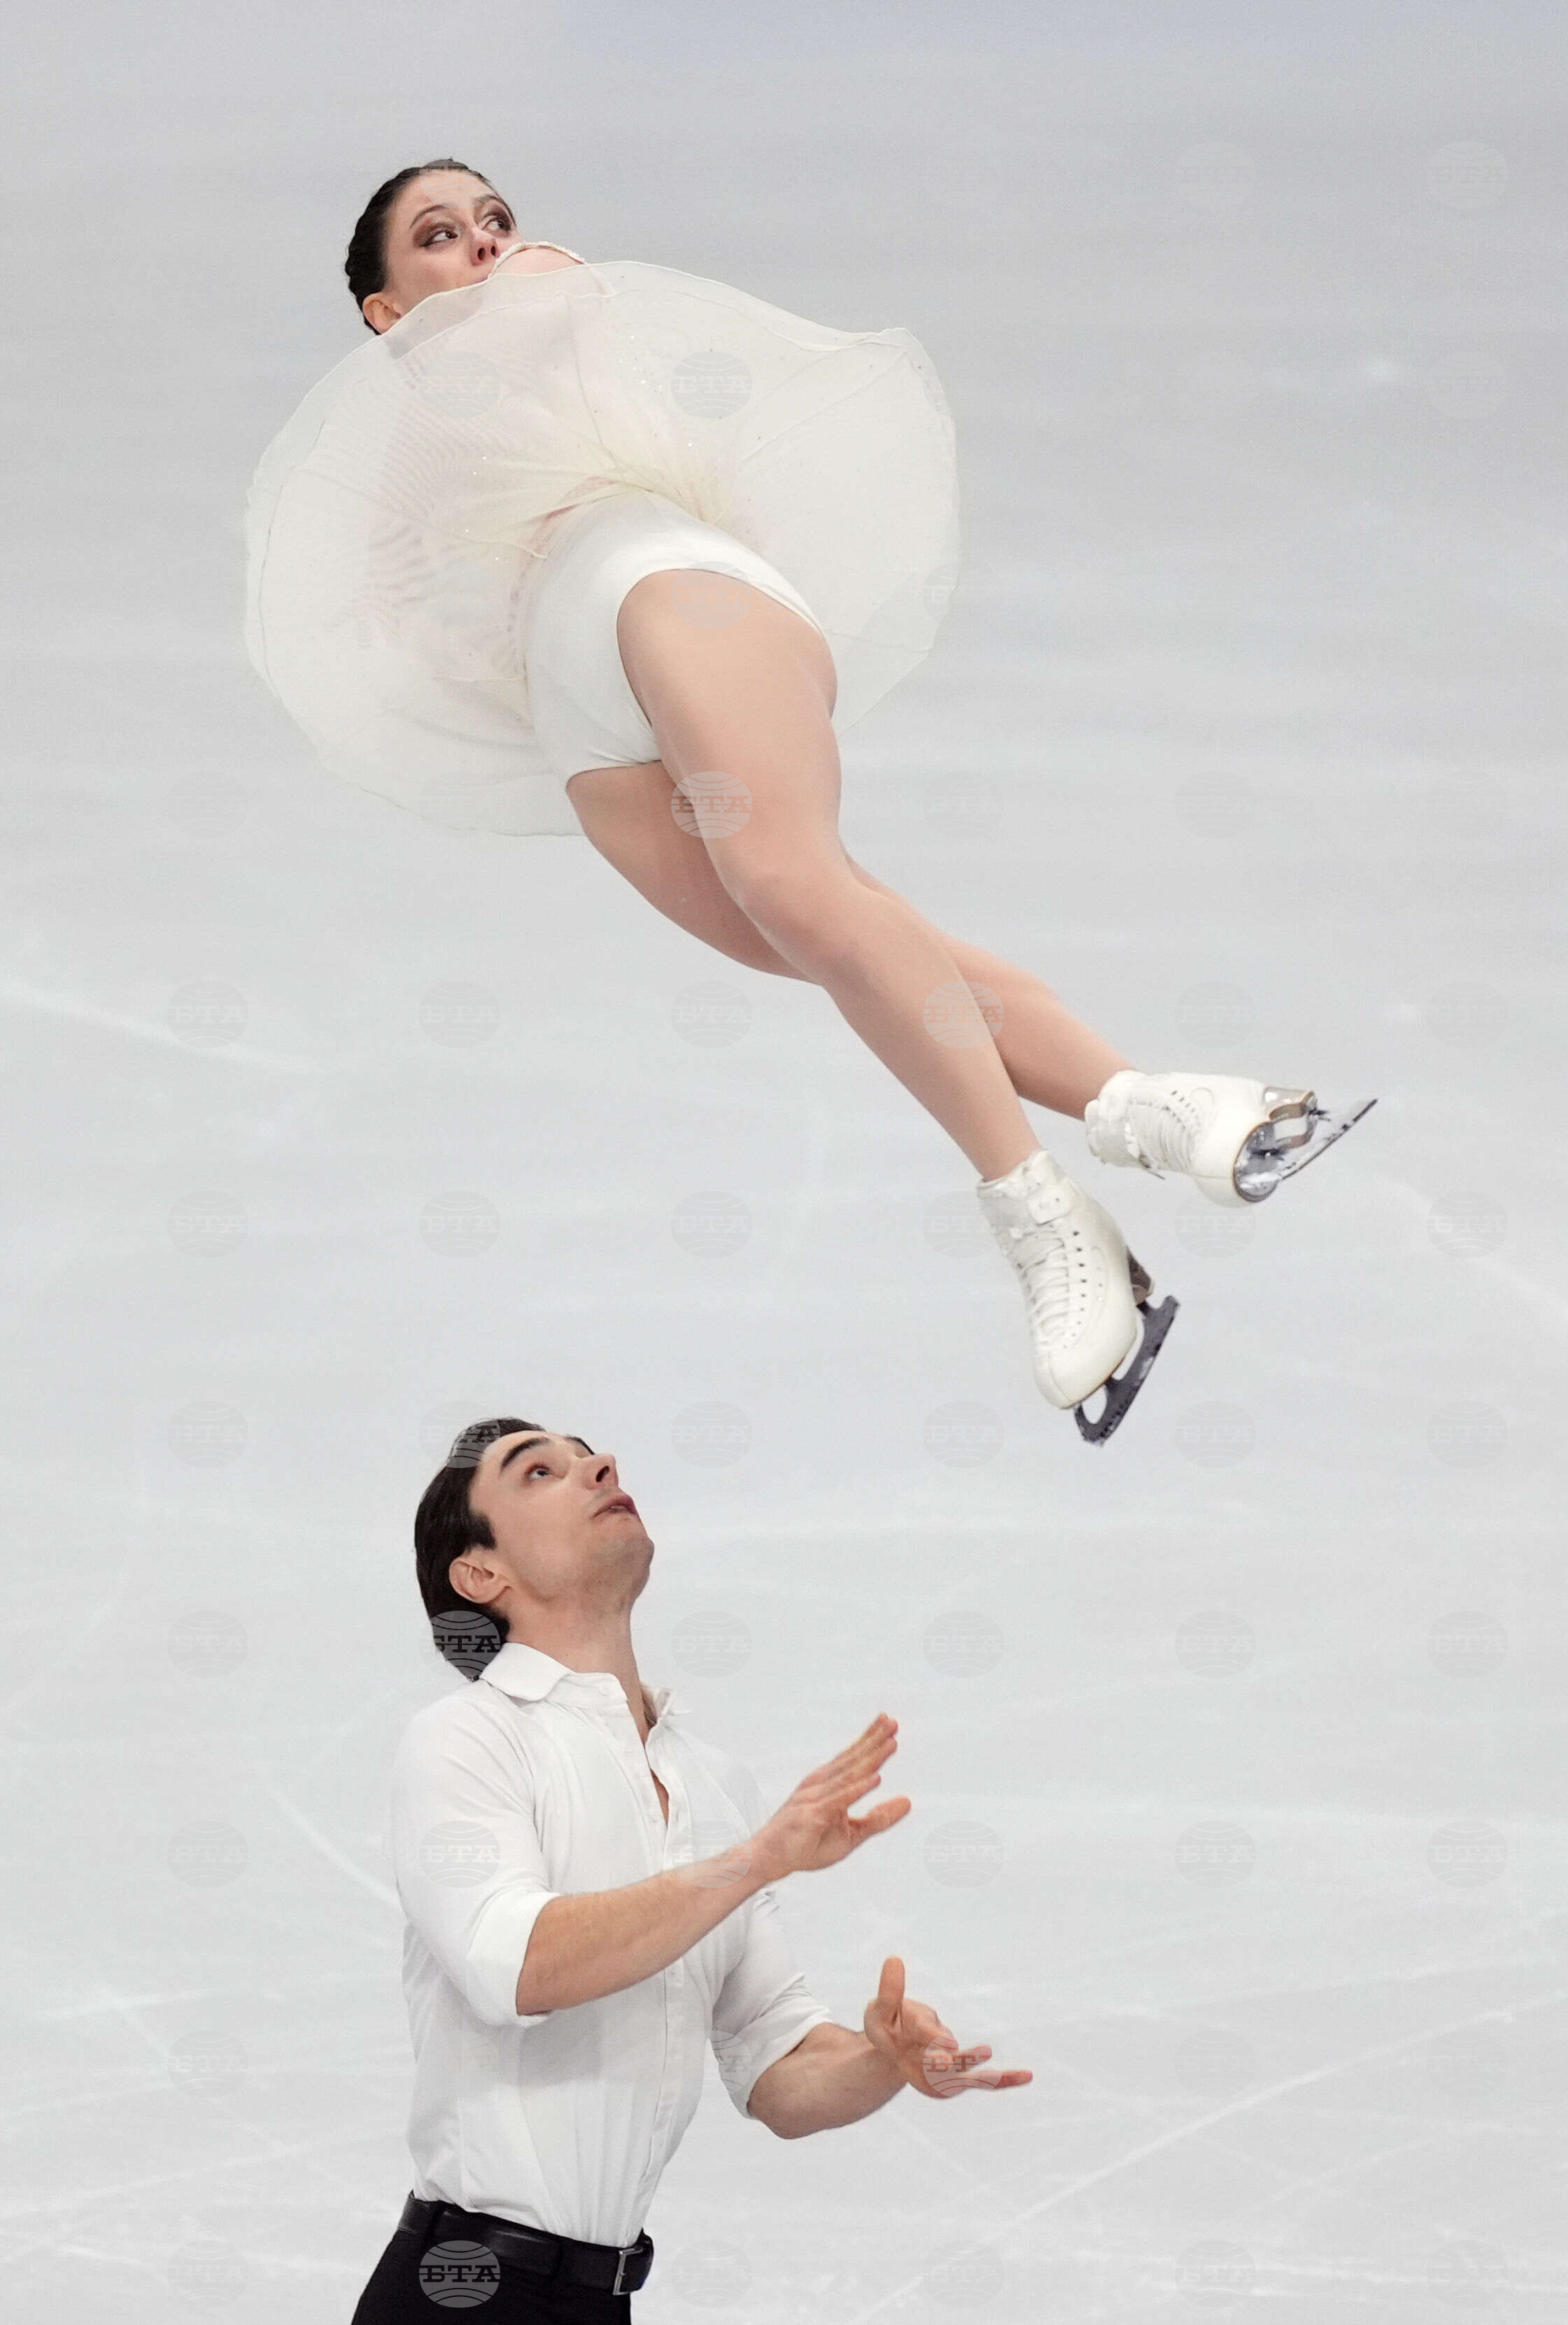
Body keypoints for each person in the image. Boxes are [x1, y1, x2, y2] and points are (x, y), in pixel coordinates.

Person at [245, 161, 1373, 1441]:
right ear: (382, 310)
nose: (488, 243)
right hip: (575, 701)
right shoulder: (392, 438)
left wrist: (495, 287)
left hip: (662, 588)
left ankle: (1042, 1214)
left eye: (492, 215)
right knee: (819, 933)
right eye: (440, 238)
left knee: (795, 884)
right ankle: (1162, 1108)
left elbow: (526, 336)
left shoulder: (544, 291)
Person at [341, 1415, 1033, 2325]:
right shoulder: (464, 1741)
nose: (598, 1467)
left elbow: (777, 2074)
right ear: (479, 1573)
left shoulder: (706, 1779)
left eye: (590, 1454)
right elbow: (515, 1963)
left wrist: (881, 2060)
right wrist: (753, 1860)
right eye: (540, 1471)